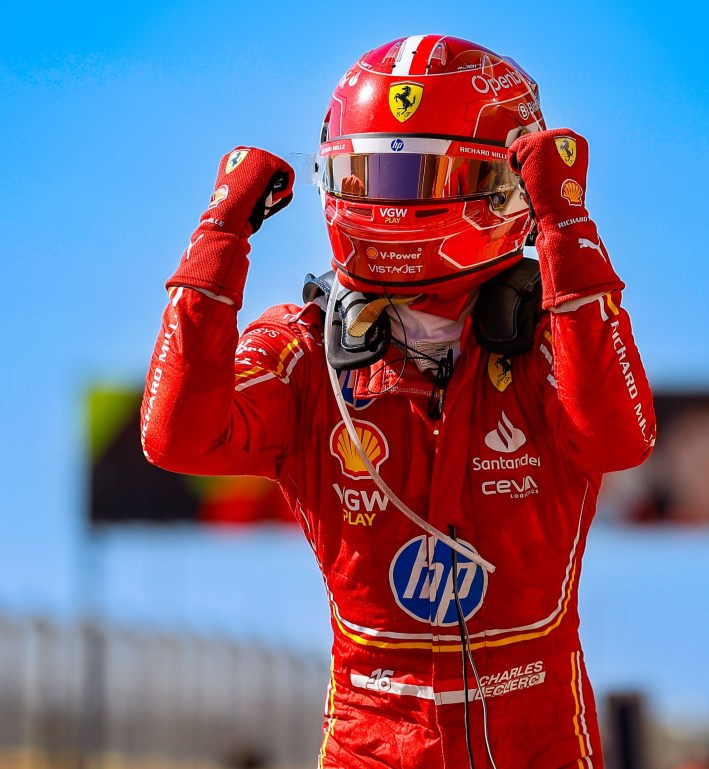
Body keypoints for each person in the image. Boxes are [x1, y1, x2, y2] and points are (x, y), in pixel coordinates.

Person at [141, 34, 656, 769]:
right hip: (369, 741)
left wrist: (568, 228)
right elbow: (177, 438)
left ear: (504, 184)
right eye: (368, 173)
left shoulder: (556, 335)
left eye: (419, 175)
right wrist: (218, 238)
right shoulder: (304, 348)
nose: (389, 200)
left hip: (537, 741)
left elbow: (618, 440)